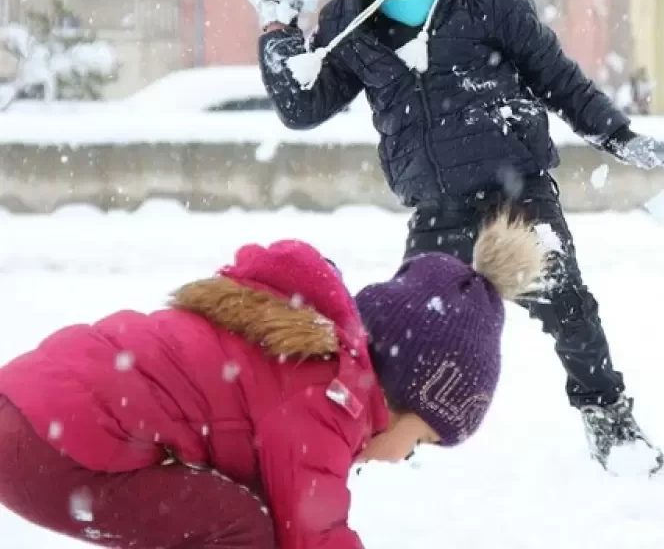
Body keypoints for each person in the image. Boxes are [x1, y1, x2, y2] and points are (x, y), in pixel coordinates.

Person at [243, 0, 664, 474]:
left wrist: (621, 136)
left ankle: (609, 421)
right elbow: (302, 106)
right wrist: (277, 27)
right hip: (438, 208)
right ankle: (381, 435)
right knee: (405, 334)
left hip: (519, 195)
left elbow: (556, 76)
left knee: (570, 309)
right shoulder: (352, 22)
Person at [0, 211, 546, 548]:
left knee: (236, 517)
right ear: (401, 392)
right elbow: (314, 534)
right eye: (423, 439)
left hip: (30, 417)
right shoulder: (329, 397)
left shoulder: (313, 368)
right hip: (47, 447)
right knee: (239, 529)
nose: (405, 457)